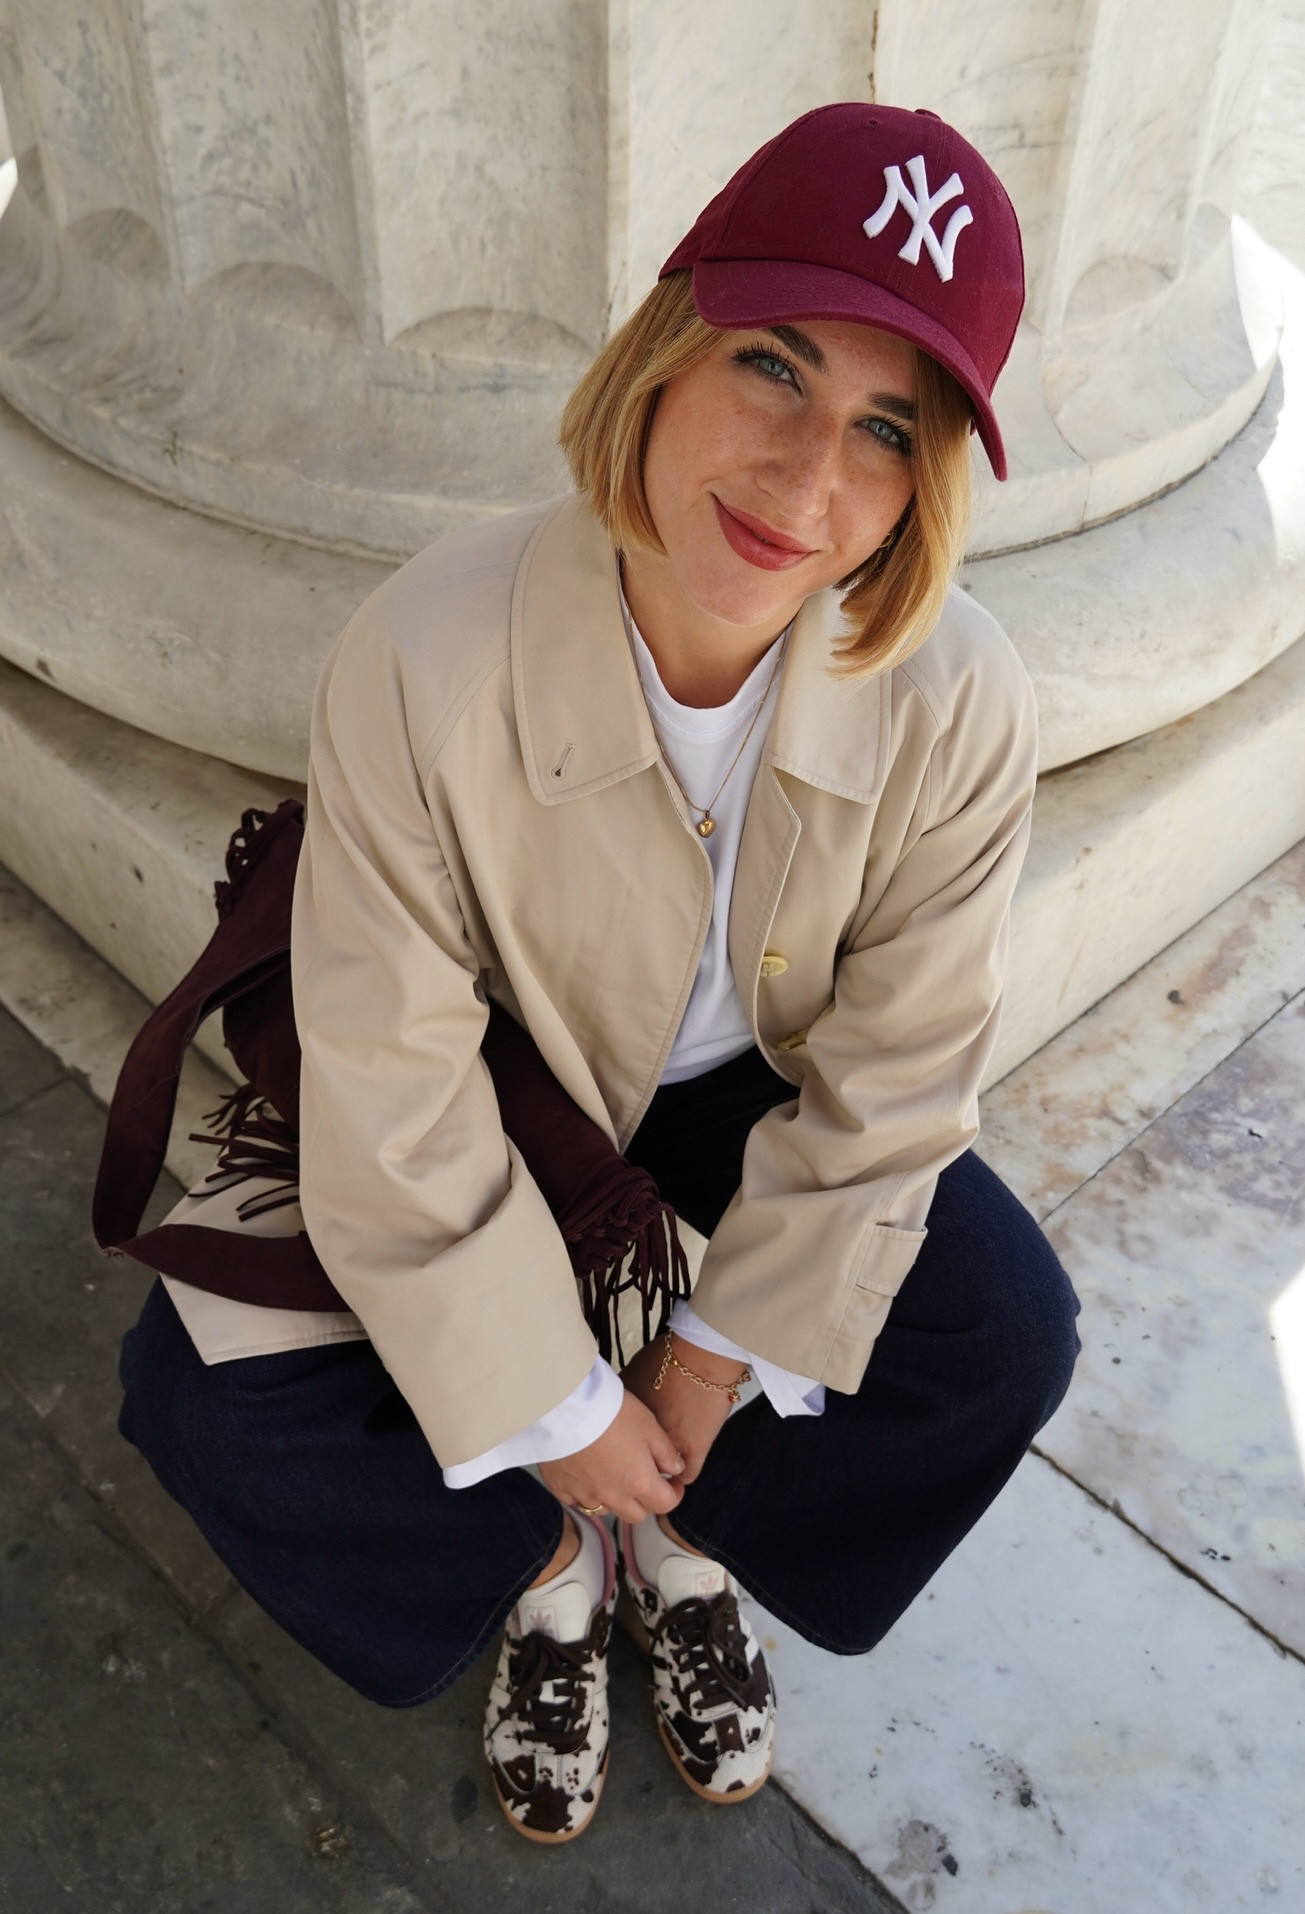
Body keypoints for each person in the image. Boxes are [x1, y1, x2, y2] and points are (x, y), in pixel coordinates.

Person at [117, 101, 1080, 1845]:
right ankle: (555, 1563)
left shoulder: (963, 694)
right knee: (207, 1400)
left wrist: (706, 1365)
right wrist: (552, 1414)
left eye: (885, 425)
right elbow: (390, 1057)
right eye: (772, 366)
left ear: (927, 480)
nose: (807, 482)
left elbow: (902, 1074)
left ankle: (692, 1539)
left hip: (732, 1087)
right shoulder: (424, 642)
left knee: (997, 1330)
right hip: (506, 1078)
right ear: (664, 345)